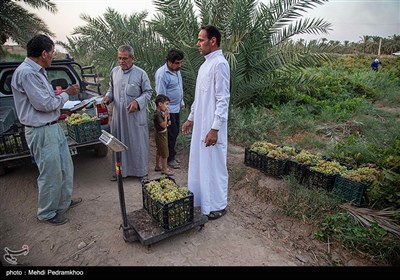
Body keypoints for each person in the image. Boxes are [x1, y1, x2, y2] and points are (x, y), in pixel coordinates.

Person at [11, 34, 82, 226]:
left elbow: (47, 99)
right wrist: (67, 94)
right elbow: (44, 104)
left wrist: (59, 98)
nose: (53, 56)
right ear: (43, 53)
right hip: (41, 130)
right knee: (50, 173)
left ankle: (63, 203)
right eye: (52, 52)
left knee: (65, 167)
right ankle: (47, 213)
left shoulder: (38, 71)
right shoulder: (27, 73)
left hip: (52, 126)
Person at [182, 25, 230, 220]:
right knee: (200, 164)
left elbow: (223, 99)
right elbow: (198, 98)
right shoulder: (204, 65)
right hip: (201, 125)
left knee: (215, 165)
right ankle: (201, 202)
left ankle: (219, 205)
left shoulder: (219, 64)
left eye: (201, 40)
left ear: (213, 41)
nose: (198, 44)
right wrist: (190, 118)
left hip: (212, 127)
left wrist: (215, 128)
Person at [101, 45, 153, 180]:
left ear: (132, 58)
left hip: (135, 118)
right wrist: (108, 97)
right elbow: (111, 90)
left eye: (125, 58)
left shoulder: (141, 73)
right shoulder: (114, 72)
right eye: (119, 58)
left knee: (137, 145)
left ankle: (141, 172)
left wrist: (137, 102)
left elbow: (148, 92)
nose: (121, 61)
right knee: (118, 144)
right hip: (119, 118)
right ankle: (120, 173)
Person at [155, 48, 185, 169]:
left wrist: (181, 101)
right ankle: (169, 159)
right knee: (169, 135)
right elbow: (160, 95)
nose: (179, 65)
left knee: (175, 133)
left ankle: (170, 155)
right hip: (168, 111)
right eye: (177, 63)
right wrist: (164, 112)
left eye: (180, 62)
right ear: (169, 61)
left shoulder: (176, 71)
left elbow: (179, 87)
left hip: (176, 108)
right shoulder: (162, 74)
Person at [153, 94, 174, 176]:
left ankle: (157, 165)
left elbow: (168, 123)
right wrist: (165, 117)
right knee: (165, 152)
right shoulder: (157, 114)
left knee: (159, 150)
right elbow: (164, 125)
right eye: (166, 104)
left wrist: (167, 118)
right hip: (160, 135)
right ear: (160, 104)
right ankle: (164, 169)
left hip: (162, 133)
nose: (167, 106)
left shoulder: (160, 113)